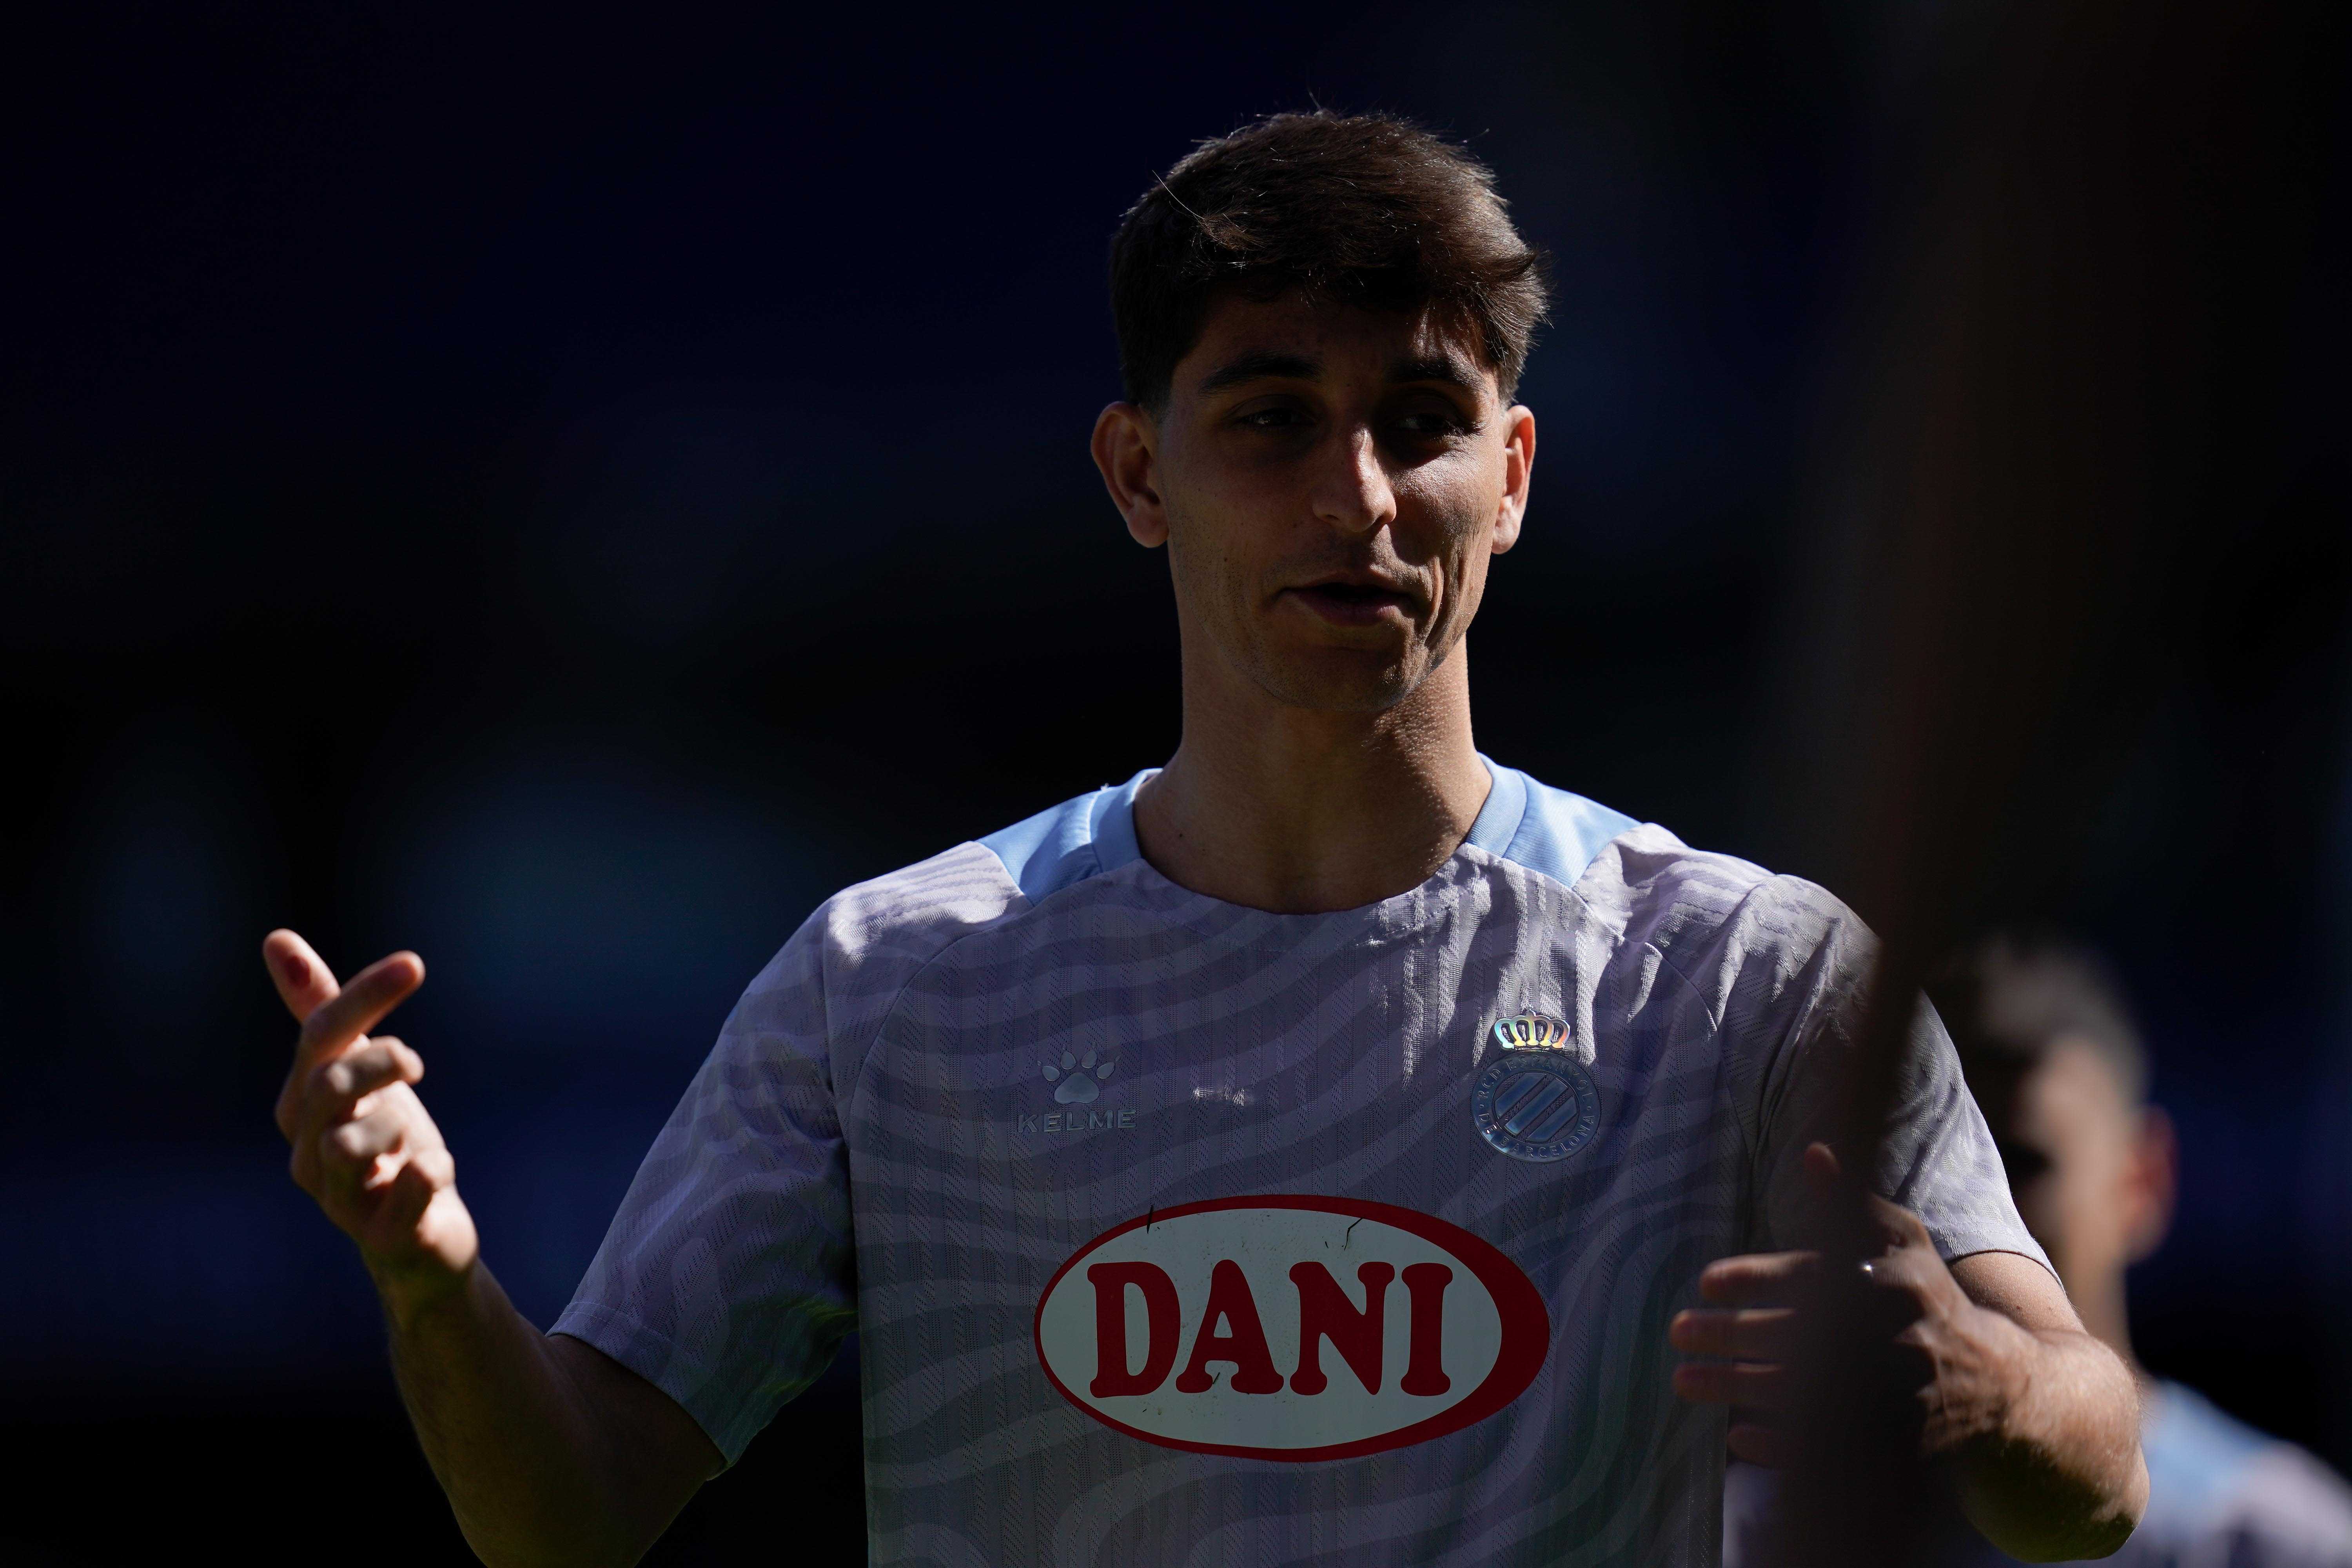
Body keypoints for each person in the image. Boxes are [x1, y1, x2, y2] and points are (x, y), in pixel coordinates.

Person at [265, 111, 2144, 1566]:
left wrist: (1992, 1388)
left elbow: (2100, 1473)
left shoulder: (1744, 974)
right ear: (1138, 471)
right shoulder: (890, 984)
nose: (1359, 493)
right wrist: (432, 1281)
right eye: (1272, 417)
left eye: (1422, 417)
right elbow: (567, 1518)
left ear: (1511, 476)